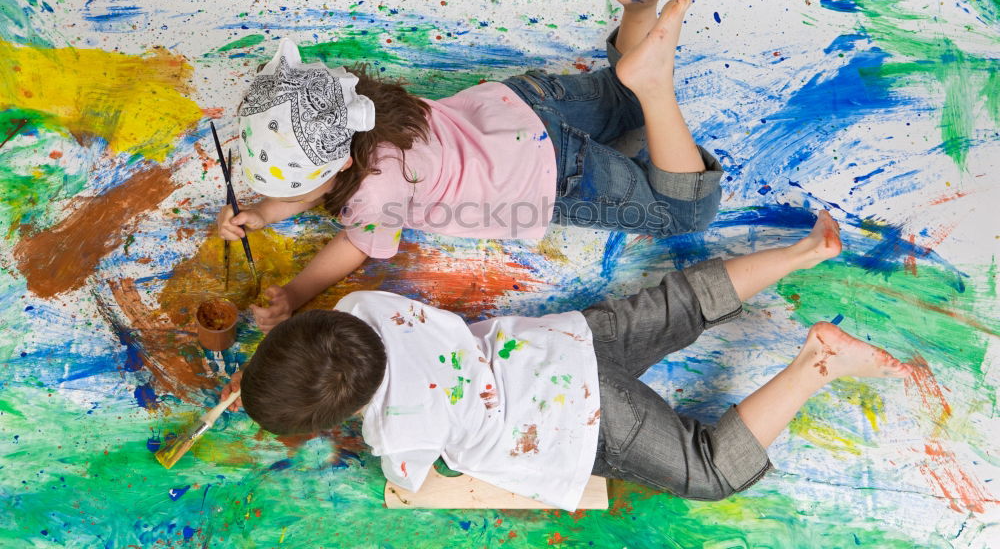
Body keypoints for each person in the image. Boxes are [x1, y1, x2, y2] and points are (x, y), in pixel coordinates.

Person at [217, 0, 724, 329]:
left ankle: (655, 84)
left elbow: (356, 242)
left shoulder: (375, 193)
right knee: (623, 96)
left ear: (342, 161)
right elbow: (313, 177)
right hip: (522, 104)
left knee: (679, 215)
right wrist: (262, 213)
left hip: (547, 174)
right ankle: (639, 4)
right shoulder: (358, 103)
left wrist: (298, 293)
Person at [221, 211, 911, 510]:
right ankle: (803, 253)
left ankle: (816, 363)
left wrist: (363, 433)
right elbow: (326, 339)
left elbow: (411, 478)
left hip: (578, 425)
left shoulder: (397, 436)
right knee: (675, 306)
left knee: (708, 472)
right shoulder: (363, 310)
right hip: (561, 343)